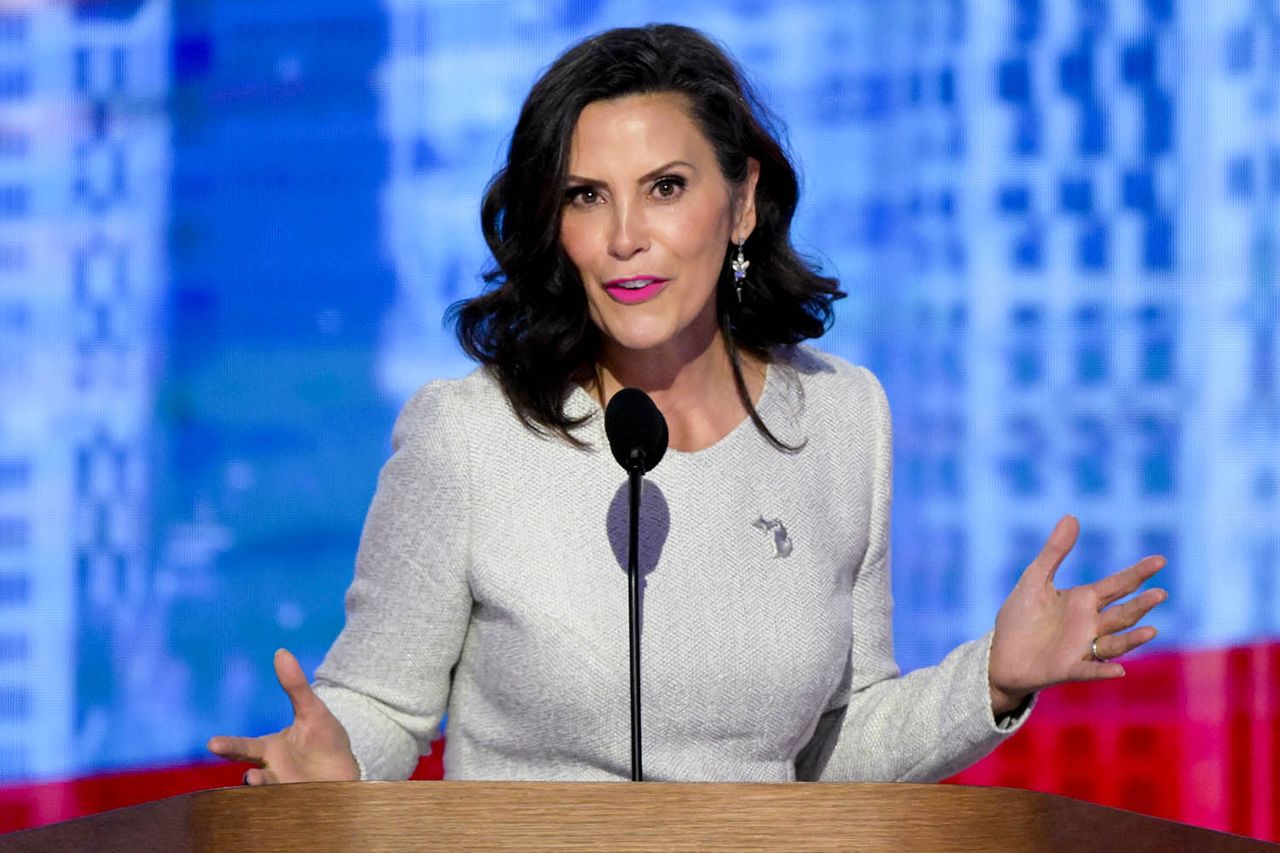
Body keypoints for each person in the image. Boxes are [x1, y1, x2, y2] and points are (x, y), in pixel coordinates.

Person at [208, 23, 1166, 784]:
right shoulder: (469, 432)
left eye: (665, 188)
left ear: (740, 203)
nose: (626, 237)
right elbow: (378, 706)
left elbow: (838, 744)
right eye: (588, 196)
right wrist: (337, 765)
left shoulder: (841, 420)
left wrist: (991, 679)